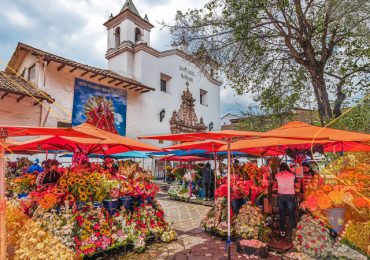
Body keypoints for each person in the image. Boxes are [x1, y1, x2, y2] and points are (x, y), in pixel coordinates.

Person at [275, 162, 297, 237]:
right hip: (290, 196)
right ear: (287, 167)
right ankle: (293, 231)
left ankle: (282, 231)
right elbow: (295, 184)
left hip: (280, 196)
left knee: (282, 213)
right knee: (292, 214)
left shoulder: (277, 175)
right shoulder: (292, 175)